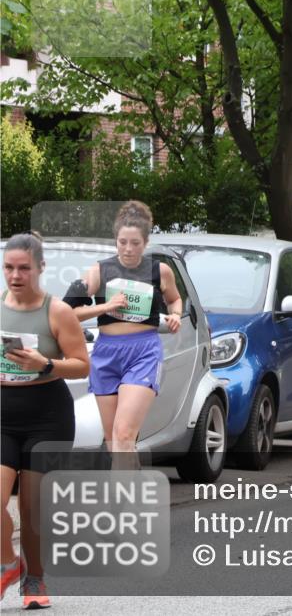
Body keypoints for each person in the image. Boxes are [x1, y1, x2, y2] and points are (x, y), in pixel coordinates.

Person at [2, 233, 89, 609]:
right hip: (3, 415)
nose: (15, 275)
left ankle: (34, 579)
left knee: (32, 509)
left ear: (40, 268)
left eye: (24, 268)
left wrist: (46, 364)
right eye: (9, 267)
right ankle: (8, 564)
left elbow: (82, 364)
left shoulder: (57, 312)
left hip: (48, 418)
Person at [64, 201, 183, 468]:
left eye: (135, 243)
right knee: (112, 440)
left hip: (143, 352)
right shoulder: (99, 271)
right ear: (115, 241)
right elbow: (67, 312)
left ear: (146, 242)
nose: (128, 249)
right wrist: (106, 306)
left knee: (124, 433)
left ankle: (123, 500)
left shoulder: (159, 271)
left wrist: (175, 315)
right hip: (107, 353)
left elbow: (175, 300)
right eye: (122, 242)